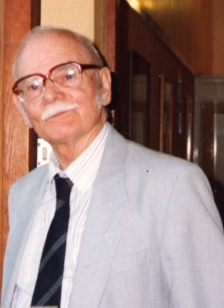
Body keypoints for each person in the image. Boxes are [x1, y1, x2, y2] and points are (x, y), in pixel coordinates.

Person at [2, 25, 224, 308]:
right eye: (33, 85)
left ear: (104, 86)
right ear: (22, 109)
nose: (51, 95)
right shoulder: (23, 194)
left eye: (68, 75)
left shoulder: (172, 187)